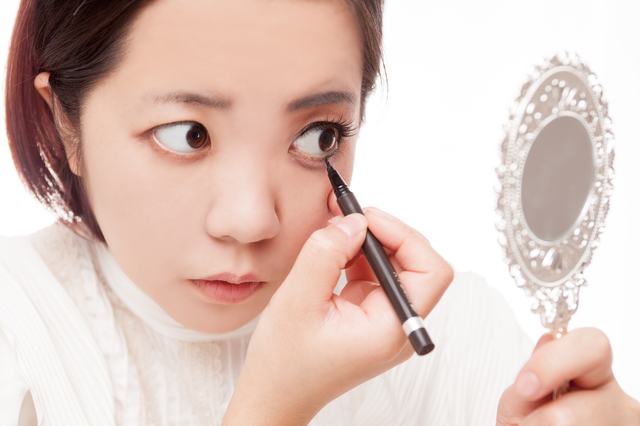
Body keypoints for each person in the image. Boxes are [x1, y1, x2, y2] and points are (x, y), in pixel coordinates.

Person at [0, 0, 638, 424]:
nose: (251, 220)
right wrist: (273, 410)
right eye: (189, 135)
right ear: (65, 124)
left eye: (317, 137)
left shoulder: (457, 338)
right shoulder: (18, 332)